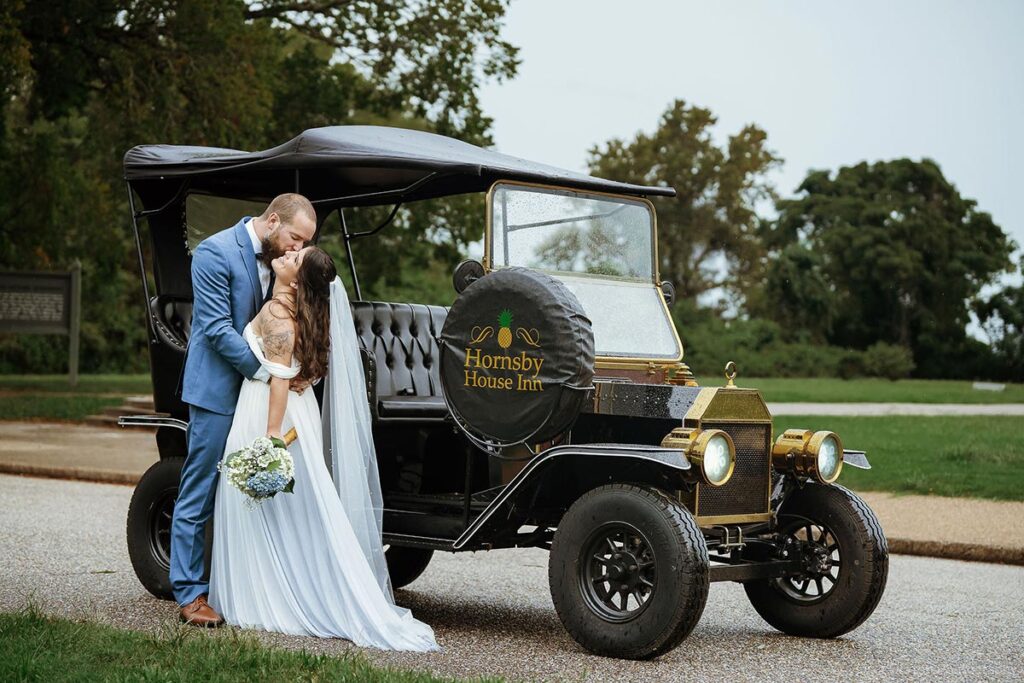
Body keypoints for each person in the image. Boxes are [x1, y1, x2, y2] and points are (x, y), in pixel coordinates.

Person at [207, 246, 439, 651]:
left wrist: (270, 437)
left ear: (296, 281)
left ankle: (266, 596)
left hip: (272, 413)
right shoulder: (301, 313)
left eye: (296, 257)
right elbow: (303, 371)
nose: (288, 253)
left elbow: (279, 380)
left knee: (262, 505)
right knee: (290, 510)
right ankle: (273, 584)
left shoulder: (281, 317)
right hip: (299, 413)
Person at [171, 194, 316, 626]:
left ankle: (246, 586)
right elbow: (215, 329)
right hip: (218, 391)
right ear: (273, 220)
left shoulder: (279, 261)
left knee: (250, 495)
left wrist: (297, 370)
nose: (296, 250)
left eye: (305, 243)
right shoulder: (214, 252)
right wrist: (269, 372)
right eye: (294, 238)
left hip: (260, 398)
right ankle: (190, 593)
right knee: (200, 489)